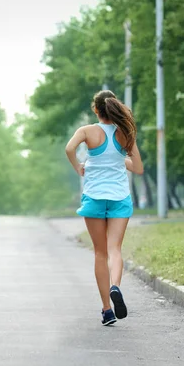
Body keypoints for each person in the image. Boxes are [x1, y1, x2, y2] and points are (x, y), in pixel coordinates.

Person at [65, 90, 144, 326]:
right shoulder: (125, 134)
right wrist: (121, 160)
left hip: (95, 197)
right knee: (115, 249)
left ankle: (107, 310)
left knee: (100, 253)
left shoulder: (87, 131)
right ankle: (115, 287)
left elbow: (70, 148)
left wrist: (79, 165)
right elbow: (138, 167)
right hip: (120, 197)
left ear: (96, 110)